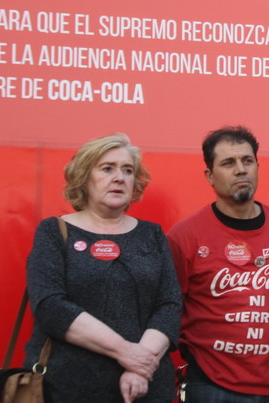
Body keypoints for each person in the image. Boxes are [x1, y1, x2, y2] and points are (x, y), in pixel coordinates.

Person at [23, 133, 180, 402]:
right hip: (66, 388)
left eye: (128, 170)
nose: (119, 177)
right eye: (107, 168)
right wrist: (126, 353)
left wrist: (140, 367)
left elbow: (170, 304)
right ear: (84, 177)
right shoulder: (53, 232)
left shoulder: (152, 235)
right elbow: (50, 306)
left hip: (146, 388)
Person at [167, 126, 269, 402]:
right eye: (228, 163)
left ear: (257, 166)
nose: (241, 170)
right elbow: (169, 308)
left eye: (247, 161)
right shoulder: (185, 236)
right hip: (212, 385)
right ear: (210, 175)